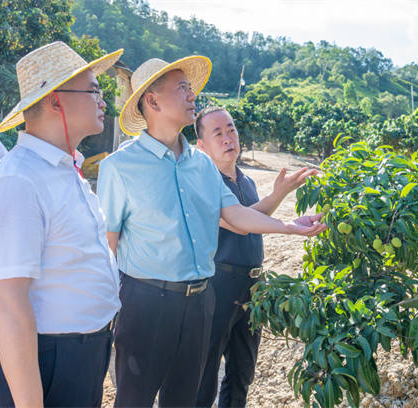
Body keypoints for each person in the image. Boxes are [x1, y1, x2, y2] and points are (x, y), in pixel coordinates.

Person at [97, 56, 326, 408]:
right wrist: (105, 314)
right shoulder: (120, 167)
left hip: (200, 301)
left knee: (185, 400)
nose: (193, 96)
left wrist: (289, 227)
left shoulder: (201, 164)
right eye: (182, 88)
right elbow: (107, 246)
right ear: (153, 101)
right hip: (145, 302)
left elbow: (234, 215)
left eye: (190, 88)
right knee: (134, 401)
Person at [0, 41, 123, 408]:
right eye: (93, 91)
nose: (103, 101)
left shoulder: (65, 167)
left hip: (82, 352)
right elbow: (9, 301)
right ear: (54, 101)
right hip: (49, 357)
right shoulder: (19, 180)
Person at [193, 106, 316, 408]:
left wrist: (278, 198)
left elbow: (252, 216)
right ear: (202, 145)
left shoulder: (245, 180)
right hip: (219, 285)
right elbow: (239, 223)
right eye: (217, 133)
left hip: (252, 288)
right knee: (204, 375)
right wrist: (284, 212)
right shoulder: (204, 183)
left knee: (242, 372)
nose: (228, 138)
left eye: (231, 129)